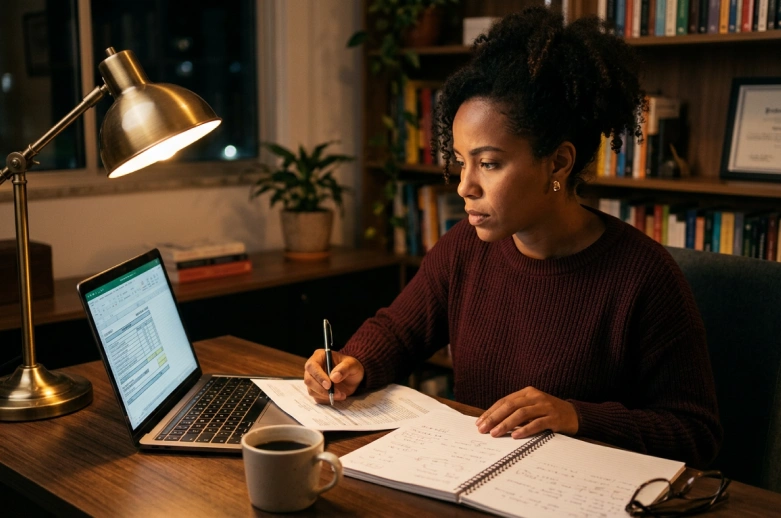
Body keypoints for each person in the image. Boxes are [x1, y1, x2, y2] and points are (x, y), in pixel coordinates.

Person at [304, 6, 721, 468]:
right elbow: (399, 330)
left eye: (489, 163)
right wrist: (353, 362)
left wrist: (575, 416)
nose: (465, 186)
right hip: (474, 478)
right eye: (462, 161)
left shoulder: (643, 276)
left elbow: (694, 434)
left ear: (558, 164)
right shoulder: (466, 246)